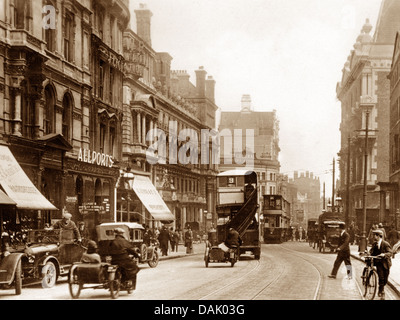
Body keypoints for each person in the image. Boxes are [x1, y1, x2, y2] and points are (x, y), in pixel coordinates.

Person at [369, 229, 392, 300]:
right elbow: (371, 251)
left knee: (385, 279)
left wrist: (384, 254)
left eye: (375, 235)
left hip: (385, 263)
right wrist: (368, 253)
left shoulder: (385, 244)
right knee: (381, 277)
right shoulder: (374, 244)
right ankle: (382, 292)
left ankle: (380, 288)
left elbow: (390, 253)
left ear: (379, 236)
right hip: (378, 263)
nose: (374, 237)